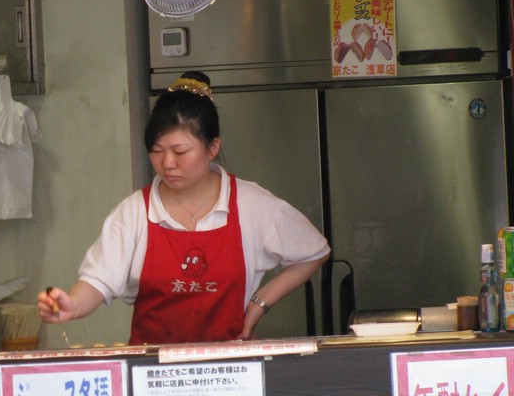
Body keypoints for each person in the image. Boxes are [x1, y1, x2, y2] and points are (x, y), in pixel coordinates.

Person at [37, 71, 330, 344]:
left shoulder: (252, 205)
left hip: (230, 374)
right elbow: (98, 281)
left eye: (180, 151)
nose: (167, 163)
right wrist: (72, 305)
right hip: (151, 374)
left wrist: (259, 304)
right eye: (156, 150)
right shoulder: (134, 213)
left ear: (212, 147)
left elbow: (314, 252)